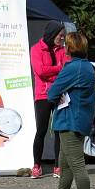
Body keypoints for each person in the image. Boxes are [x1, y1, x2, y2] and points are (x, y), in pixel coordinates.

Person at [40, 32, 95, 189]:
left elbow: (53, 93)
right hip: (80, 120)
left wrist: (57, 92)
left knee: (77, 165)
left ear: (69, 48)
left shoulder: (72, 68)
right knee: (66, 165)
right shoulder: (88, 67)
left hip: (69, 120)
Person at [30, 21, 69, 178]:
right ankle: (37, 165)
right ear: (52, 34)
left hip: (59, 94)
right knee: (41, 130)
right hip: (43, 95)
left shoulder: (62, 50)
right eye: (60, 36)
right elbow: (40, 71)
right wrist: (58, 69)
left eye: (63, 36)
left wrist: (55, 71)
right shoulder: (36, 49)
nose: (62, 39)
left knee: (59, 130)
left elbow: (66, 70)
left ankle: (57, 166)